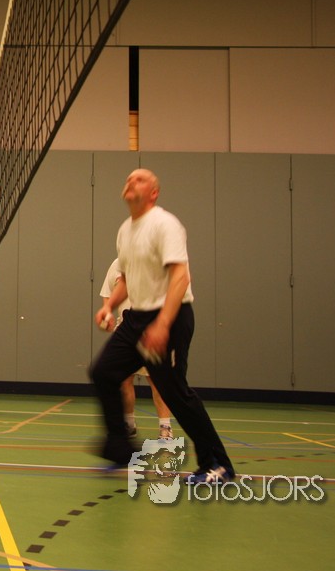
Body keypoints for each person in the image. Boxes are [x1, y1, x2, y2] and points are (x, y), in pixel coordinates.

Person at [90, 168, 235, 484]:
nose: (131, 181)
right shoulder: (125, 230)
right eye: (129, 178)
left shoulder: (165, 224)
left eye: (140, 179)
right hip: (137, 318)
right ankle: (120, 449)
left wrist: (163, 324)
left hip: (170, 315)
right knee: (103, 371)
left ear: (154, 193)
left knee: (175, 393)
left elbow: (181, 277)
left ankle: (217, 464)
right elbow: (127, 280)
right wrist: (108, 306)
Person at [99, 258, 173, 441]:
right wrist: (107, 310)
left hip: (151, 329)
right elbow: (108, 294)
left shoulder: (154, 262)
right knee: (123, 380)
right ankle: (129, 424)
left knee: (157, 379)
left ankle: (165, 427)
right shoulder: (116, 264)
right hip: (125, 330)